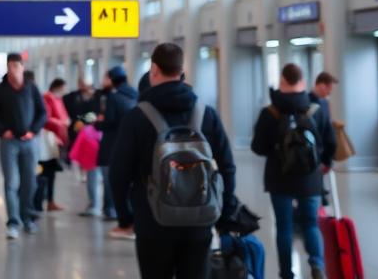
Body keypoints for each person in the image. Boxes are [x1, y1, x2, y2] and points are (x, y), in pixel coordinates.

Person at [109, 44, 236, 278]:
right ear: (181, 71)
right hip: (200, 218)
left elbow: (118, 174)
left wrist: (126, 217)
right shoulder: (206, 114)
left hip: (152, 220)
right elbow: (227, 167)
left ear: (154, 69)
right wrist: (225, 212)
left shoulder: (136, 118)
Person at [252, 63, 331, 279]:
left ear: (282, 81)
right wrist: (323, 163)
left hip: (280, 178)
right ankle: (317, 265)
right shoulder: (317, 110)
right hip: (310, 178)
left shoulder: (269, 113)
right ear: (303, 82)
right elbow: (329, 143)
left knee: (284, 227)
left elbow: (257, 147)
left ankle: (286, 273)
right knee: (311, 224)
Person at [0, 52, 47, 239]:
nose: (13, 70)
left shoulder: (31, 88)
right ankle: (13, 222)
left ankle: (27, 218)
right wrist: (2, 131)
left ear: (22, 67)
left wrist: (33, 131)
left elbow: (42, 113)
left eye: (16, 66)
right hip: (9, 143)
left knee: (30, 182)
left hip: (30, 142)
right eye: (10, 66)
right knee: (11, 183)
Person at [97, 65, 138, 232]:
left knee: (111, 178)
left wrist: (97, 123)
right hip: (132, 142)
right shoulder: (135, 94)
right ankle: (130, 216)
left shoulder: (114, 97)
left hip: (113, 143)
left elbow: (109, 122)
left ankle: (114, 213)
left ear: (111, 79)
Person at [35, 78, 70, 213]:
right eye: (63, 88)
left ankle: (50, 201)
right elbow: (46, 119)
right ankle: (39, 201)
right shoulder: (47, 98)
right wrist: (61, 123)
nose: (64, 91)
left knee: (51, 172)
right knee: (44, 171)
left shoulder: (57, 99)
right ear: (57, 87)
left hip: (56, 140)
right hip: (47, 140)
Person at [309, 71, 339, 202]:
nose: (329, 93)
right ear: (321, 85)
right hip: (312, 152)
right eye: (328, 89)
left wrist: (327, 160)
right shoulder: (308, 102)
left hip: (321, 153)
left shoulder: (325, 103)